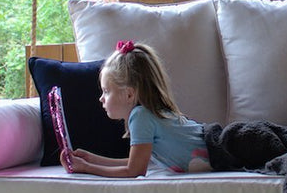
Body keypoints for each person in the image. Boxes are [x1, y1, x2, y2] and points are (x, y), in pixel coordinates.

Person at [61, 40, 213, 177]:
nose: (101, 98)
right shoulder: (146, 115)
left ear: (129, 94)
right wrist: (91, 159)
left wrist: (87, 168)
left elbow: (134, 171)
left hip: (222, 148)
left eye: (106, 91)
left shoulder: (140, 116)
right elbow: (136, 163)